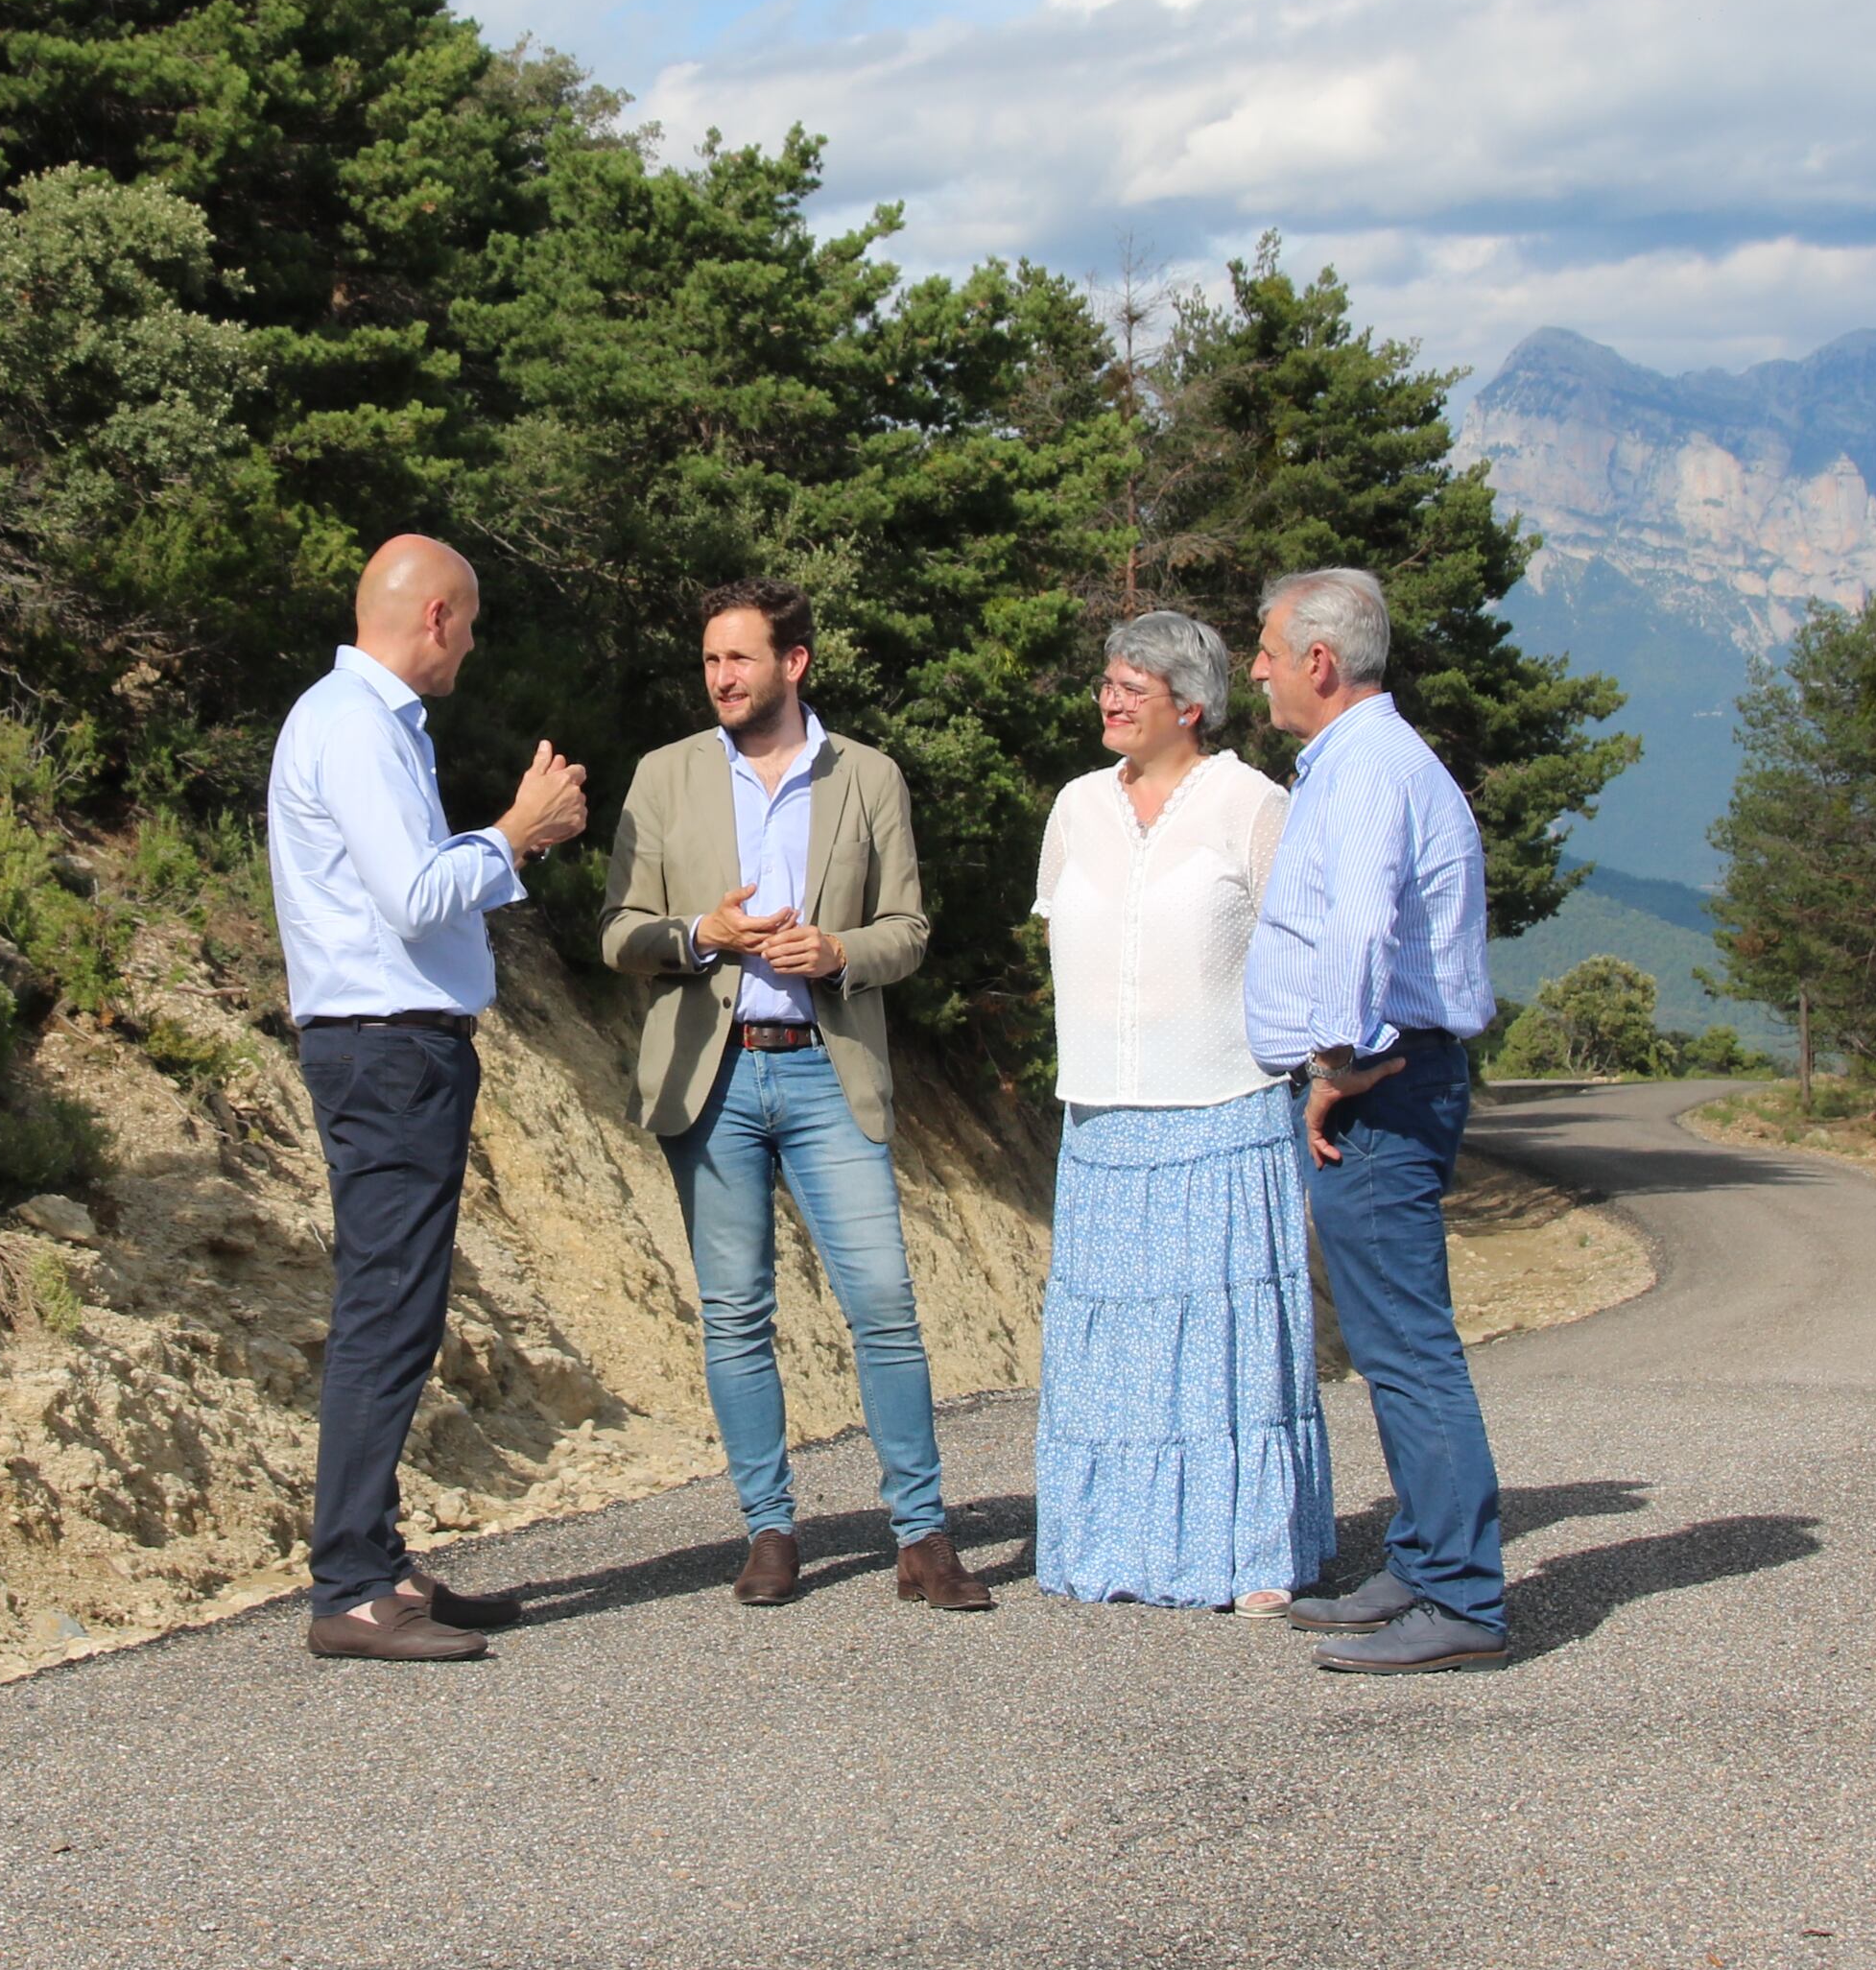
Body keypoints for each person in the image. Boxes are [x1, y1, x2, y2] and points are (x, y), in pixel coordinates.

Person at [599, 579, 988, 1610]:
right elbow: (617, 932)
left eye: (738, 659)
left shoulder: (866, 775)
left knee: (883, 1307)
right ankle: (768, 1531)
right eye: (709, 660)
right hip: (710, 1076)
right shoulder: (663, 775)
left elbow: (905, 930)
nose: (719, 677)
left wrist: (836, 951)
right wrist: (697, 936)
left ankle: (922, 1537)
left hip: (827, 1068)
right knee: (734, 1315)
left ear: (793, 663)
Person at [263, 534, 588, 1663]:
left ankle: (376, 1564)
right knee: (386, 1307)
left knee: (393, 1301)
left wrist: (498, 841)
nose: (471, 649)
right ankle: (350, 1587)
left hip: (388, 1048)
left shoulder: (357, 722)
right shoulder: (354, 725)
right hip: (385, 1049)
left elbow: (398, 884)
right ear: (439, 618)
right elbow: (412, 898)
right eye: (473, 624)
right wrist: (516, 832)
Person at [1027, 609, 1331, 1611]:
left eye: (1131, 686)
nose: (1109, 699)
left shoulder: (1253, 803)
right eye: (1106, 682)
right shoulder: (1073, 807)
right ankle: (1111, 1547)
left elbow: (1301, 954)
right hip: (1103, 1125)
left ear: (1189, 705)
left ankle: (1243, 1557)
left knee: (1222, 1350)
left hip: (1224, 1115)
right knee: (1112, 1348)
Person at [1244, 564, 1513, 1672]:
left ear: (1318, 661)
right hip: (1392, 1077)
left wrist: (1339, 1062)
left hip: (1378, 1087)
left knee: (1405, 1350)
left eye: (1264, 649)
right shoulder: (1365, 763)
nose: (1252, 668)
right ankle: (1421, 1559)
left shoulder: (1363, 773)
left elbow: (1357, 932)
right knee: (1394, 1343)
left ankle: (1460, 1596)